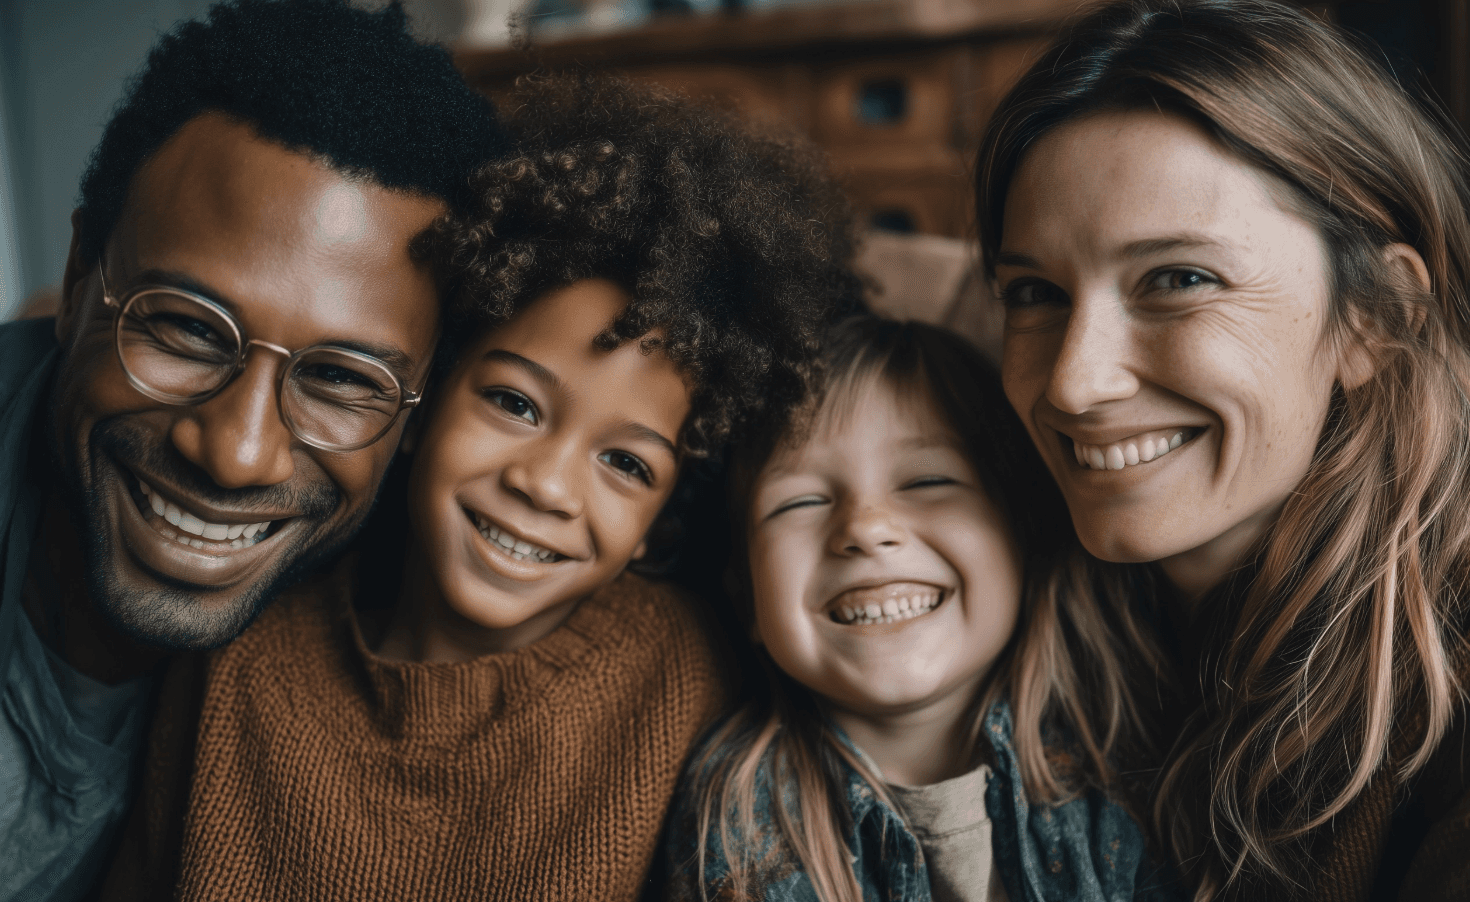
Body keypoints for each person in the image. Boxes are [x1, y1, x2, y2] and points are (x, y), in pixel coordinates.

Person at [96, 74, 863, 901]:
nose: (546, 483)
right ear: (420, 402)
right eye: (513, 403)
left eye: (628, 464)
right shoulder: (240, 647)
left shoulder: (685, 676)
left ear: (658, 520)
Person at [0, 2, 507, 899]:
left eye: (345, 380)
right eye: (189, 329)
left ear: (421, 411)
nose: (236, 454)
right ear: (81, 281)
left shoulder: (433, 590)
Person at [974, 1, 1470, 898]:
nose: (1072, 385)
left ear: (1380, 315)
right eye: (1035, 293)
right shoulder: (984, 575)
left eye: (1178, 279)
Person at [663, 315, 1179, 902]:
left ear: (1023, 537)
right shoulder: (734, 814)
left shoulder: (1131, 761)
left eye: (928, 480)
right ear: (746, 595)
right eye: (800, 501)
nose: (865, 528)